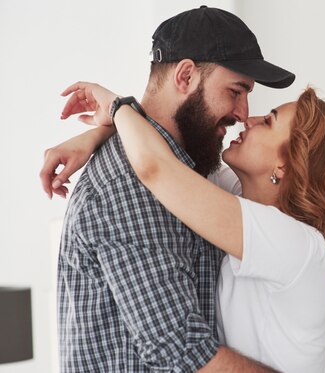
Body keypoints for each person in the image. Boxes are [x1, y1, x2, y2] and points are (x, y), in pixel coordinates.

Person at [43, 80, 325, 372]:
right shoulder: (238, 194)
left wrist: (115, 104)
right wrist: (98, 133)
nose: (251, 118)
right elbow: (162, 149)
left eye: (269, 121)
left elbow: (156, 169)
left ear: (284, 164)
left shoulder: (295, 244)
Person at [40, 6, 297, 373]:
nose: (243, 112)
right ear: (186, 75)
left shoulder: (190, 168)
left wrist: (109, 124)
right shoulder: (129, 186)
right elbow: (181, 350)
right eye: (236, 91)